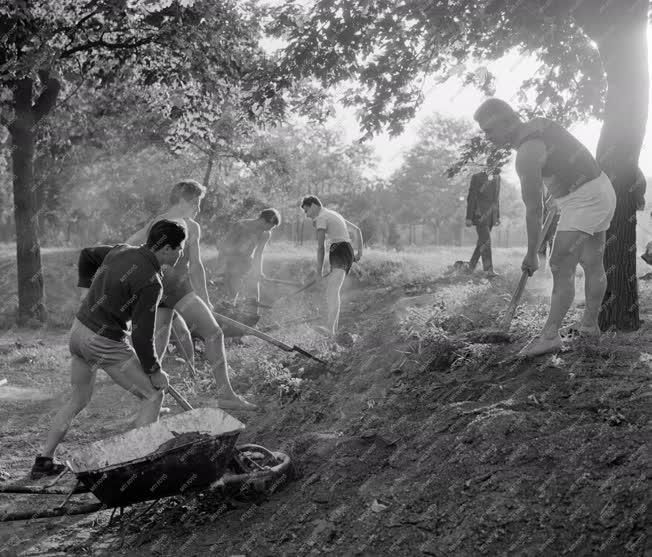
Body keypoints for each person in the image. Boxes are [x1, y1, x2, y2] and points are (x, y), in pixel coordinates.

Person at [30, 220, 186, 479]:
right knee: (153, 396)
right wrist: (155, 370)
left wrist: (87, 288)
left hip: (78, 332)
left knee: (78, 398)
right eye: (180, 248)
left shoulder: (121, 250)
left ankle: (44, 459)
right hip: (102, 341)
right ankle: (140, 469)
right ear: (168, 249)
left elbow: (87, 255)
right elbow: (142, 335)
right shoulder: (152, 282)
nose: (182, 253)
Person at [474, 98, 616, 357]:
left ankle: (550, 335)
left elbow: (534, 209)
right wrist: (558, 191)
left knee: (560, 265)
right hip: (601, 189)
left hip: (584, 199)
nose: (488, 137)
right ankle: (589, 325)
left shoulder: (527, 153)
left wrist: (531, 253)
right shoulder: (539, 124)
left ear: (506, 122)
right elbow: (564, 161)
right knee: (593, 262)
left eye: (490, 130)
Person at [125, 180, 256, 410]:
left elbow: (195, 266)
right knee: (214, 333)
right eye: (196, 202)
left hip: (171, 287)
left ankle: (149, 397)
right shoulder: (170, 224)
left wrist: (205, 299)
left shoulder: (181, 225)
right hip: (169, 287)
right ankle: (226, 394)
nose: (198, 207)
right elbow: (132, 245)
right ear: (183, 200)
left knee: (159, 344)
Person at [301, 196, 363, 336]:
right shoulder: (333, 213)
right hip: (342, 250)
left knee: (332, 290)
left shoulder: (322, 217)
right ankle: (332, 331)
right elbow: (357, 230)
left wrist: (319, 272)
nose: (306, 214)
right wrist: (359, 253)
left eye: (306, 210)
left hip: (339, 250)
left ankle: (330, 328)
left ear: (314, 205)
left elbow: (320, 247)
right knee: (332, 291)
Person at [216, 208, 281, 305]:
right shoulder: (241, 225)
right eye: (269, 226)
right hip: (231, 259)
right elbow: (226, 245)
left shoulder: (265, 234)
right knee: (234, 283)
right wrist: (222, 266)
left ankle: (252, 306)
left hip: (246, 260)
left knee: (255, 279)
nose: (269, 230)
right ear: (263, 220)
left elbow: (258, 253)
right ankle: (230, 305)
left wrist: (258, 271)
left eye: (271, 228)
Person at [465, 170, 501, 276]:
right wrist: (469, 217)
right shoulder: (476, 177)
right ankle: (488, 270)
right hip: (479, 214)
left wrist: (497, 215)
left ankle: (470, 267)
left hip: (491, 216)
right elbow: (471, 197)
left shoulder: (498, 177)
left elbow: (496, 198)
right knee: (486, 241)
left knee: (482, 242)